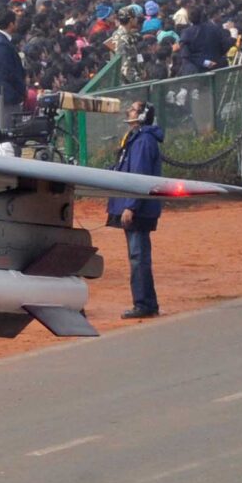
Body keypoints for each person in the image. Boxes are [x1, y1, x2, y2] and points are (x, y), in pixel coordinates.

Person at [103, 102, 164, 320]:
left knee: (138, 257)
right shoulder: (135, 138)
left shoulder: (143, 140)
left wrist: (130, 206)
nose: (128, 111)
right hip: (137, 206)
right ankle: (147, 302)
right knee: (138, 256)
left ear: (142, 115)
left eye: (133, 109)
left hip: (138, 209)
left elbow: (139, 175)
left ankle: (144, 303)